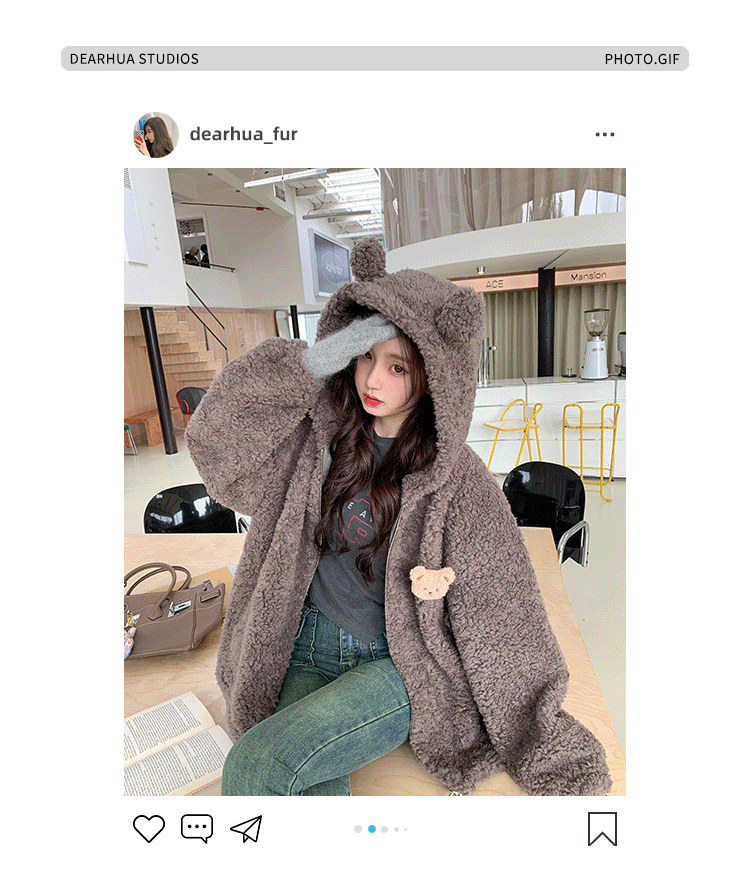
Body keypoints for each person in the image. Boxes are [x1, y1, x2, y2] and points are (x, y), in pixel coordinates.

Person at [185, 238, 611, 797]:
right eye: (364, 356)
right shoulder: (312, 443)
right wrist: (314, 362)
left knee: (254, 764)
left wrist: (541, 737)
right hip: (300, 648)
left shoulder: (457, 481)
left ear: (434, 375)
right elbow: (216, 446)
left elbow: (506, 614)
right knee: (305, 787)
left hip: (393, 665)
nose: (372, 381)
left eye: (397, 366)